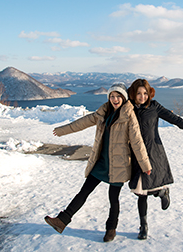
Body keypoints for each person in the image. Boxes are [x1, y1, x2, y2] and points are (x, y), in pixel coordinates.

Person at [44, 82, 152, 242]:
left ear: (123, 97)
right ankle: (62, 220)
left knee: (113, 199)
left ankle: (111, 229)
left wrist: (145, 165)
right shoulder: (103, 112)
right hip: (101, 162)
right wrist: (62, 130)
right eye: (112, 96)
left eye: (118, 96)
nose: (115, 99)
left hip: (119, 165)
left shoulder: (129, 115)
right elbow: (82, 122)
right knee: (84, 191)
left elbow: (137, 141)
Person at [127, 79, 183, 240]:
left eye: (145, 93)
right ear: (133, 93)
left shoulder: (155, 107)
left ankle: (160, 193)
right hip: (135, 154)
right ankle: (144, 224)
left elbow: (177, 121)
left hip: (153, 152)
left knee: (144, 189)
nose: (142, 96)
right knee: (140, 193)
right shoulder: (128, 107)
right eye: (138, 93)